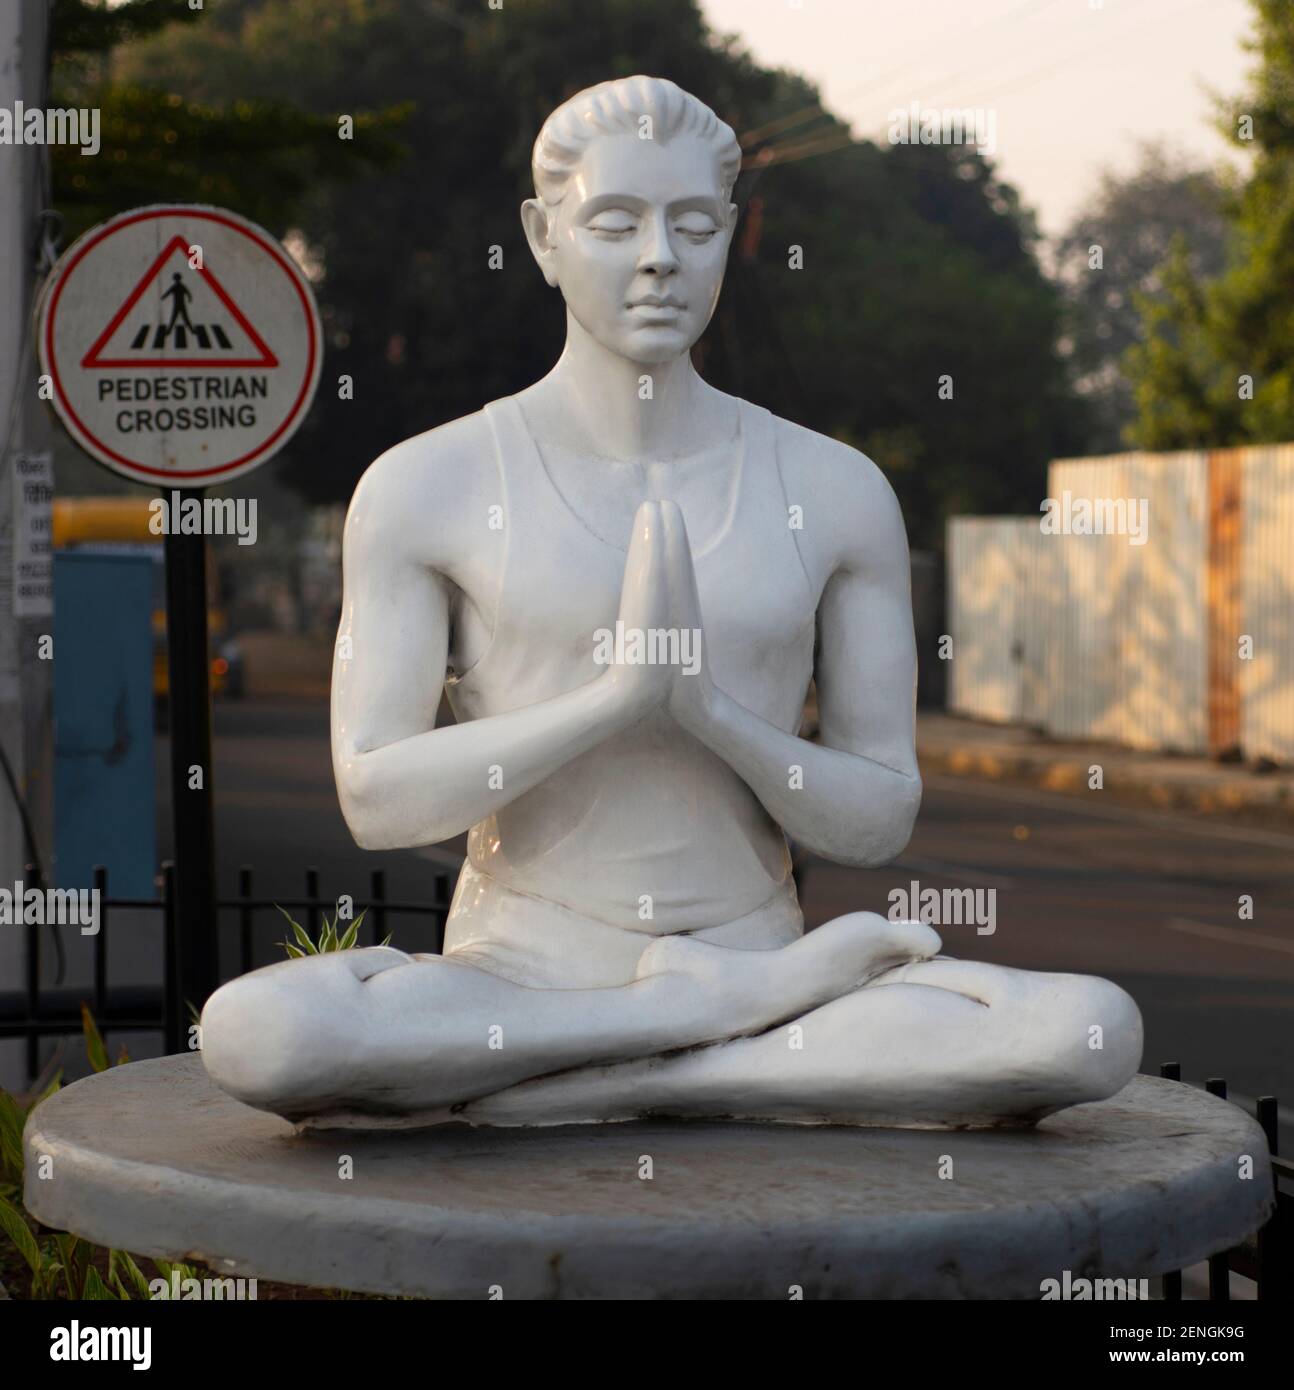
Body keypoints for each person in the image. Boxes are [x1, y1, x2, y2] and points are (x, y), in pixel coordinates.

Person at [201, 76, 1141, 1128]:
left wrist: (710, 716)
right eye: (614, 222)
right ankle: (669, 1033)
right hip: (520, 972)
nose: (660, 257)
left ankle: (656, 1065)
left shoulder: (829, 488)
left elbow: (878, 815)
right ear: (543, 236)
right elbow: (378, 800)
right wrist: (614, 701)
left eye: (693, 226)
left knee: (1090, 1030)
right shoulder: (431, 484)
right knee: (261, 1032)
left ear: (730, 237)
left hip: (766, 961)